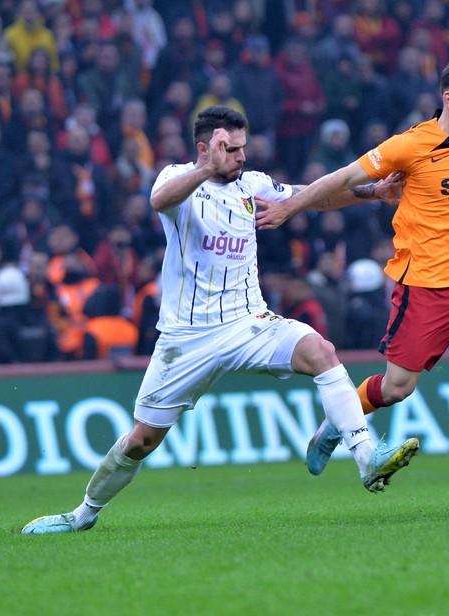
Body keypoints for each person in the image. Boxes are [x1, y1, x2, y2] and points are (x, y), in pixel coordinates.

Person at [22, 106, 419, 535]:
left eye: (242, 148)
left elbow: (312, 195)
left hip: (249, 322)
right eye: (229, 149)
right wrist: (205, 169)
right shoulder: (176, 180)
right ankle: (83, 513)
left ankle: (365, 458)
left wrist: (371, 193)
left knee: (320, 350)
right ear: (205, 147)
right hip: (186, 337)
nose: (240, 157)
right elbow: (159, 201)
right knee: (142, 440)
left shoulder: (252, 184)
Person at [257, 60, 449, 505]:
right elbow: (343, 178)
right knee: (397, 388)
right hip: (422, 289)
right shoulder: (410, 146)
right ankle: (334, 426)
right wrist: (292, 208)